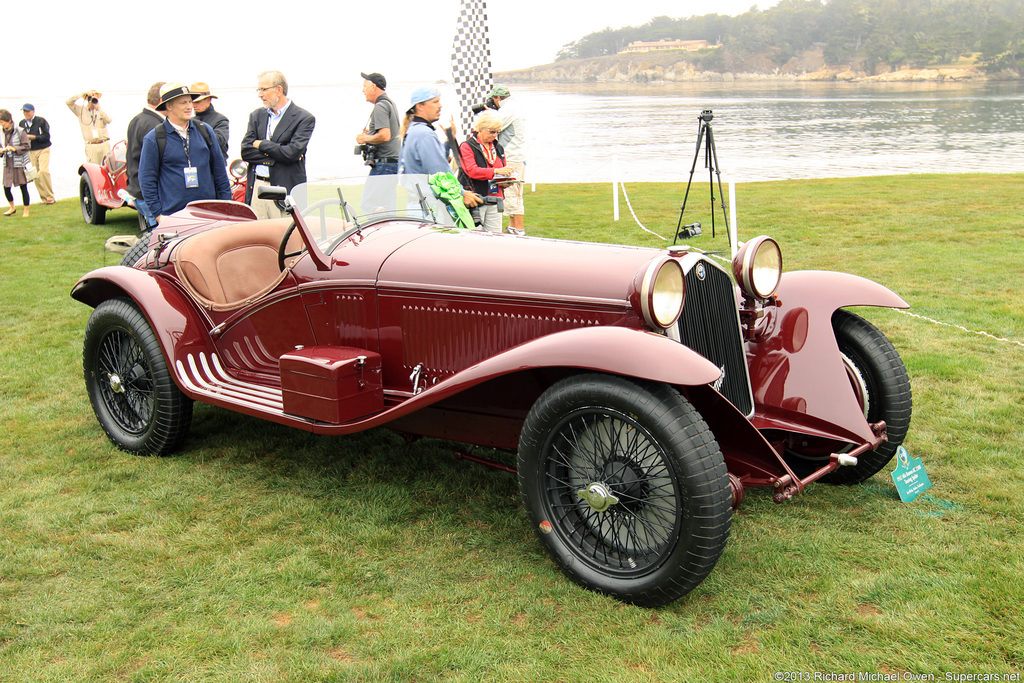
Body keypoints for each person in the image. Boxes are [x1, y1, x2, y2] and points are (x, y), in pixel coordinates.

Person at [138, 83, 231, 224]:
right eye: (183, 103)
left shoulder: (205, 131)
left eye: (190, 101)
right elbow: (146, 180)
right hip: (173, 217)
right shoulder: (155, 138)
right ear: (169, 106)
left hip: (208, 214)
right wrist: (158, 215)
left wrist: (226, 207)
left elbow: (220, 173)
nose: (189, 107)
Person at [241, 70, 316, 219]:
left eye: (264, 89)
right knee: (257, 237)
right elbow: (246, 151)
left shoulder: (304, 118)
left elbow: (292, 153)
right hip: (257, 188)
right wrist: (277, 155)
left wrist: (262, 145)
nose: (260, 94)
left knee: (286, 239)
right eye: (259, 89)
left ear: (279, 90)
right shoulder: (256, 116)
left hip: (284, 191)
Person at [399, 85, 481, 209]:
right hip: (429, 208)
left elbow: (432, 162)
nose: (440, 106)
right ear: (420, 106)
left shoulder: (413, 130)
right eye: (435, 102)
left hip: (417, 203)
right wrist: (461, 193)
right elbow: (439, 172)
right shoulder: (424, 134)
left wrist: (449, 141)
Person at [458, 111, 513, 233]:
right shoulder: (467, 146)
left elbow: (501, 171)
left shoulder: (498, 147)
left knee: (495, 239)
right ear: (481, 128)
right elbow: (472, 171)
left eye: (498, 131)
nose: (495, 135)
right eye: (492, 131)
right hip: (475, 199)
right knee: (474, 238)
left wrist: (506, 180)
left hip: (495, 199)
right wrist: (496, 171)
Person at [355, 72, 401, 214]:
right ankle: (390, 232)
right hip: (392, 164)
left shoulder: (380, 106)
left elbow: (385, 136)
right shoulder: (390, 103)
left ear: (373, 87)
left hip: (384, 165)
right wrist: (372, 133)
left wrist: (364, 139)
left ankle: (378, 234)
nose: (363, 90)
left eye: (365, 86)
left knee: (369, 205)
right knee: (388, 208)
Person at [488, 84, 527, 233]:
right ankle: (512, 227)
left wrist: (487, 115)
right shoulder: (514, 107)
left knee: (513, 194)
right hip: (515, 156)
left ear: (498, 97)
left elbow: (493, 126)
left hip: (511, 157)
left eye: (493, 99)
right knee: (512, 193)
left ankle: (519, 229)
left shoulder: (508, 110)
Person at [126, 82, 166, 229]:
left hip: (136, 189)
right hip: (150, 194)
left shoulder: (137, 120)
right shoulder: (156, 126)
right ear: (162, 101)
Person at [18, 104, 54, 205]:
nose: (26, 113)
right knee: (35, 174)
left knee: (43, 171)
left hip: (43, 148)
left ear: (33, 111)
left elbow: (46, 136)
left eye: (28, 111)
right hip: (30, 150)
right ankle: (44, 198)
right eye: (24, 111)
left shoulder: (41, 121)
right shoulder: (22, 123)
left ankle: (50, 196)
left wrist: (34, 137)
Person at [66, 90, 112, 165]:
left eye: (95, 96)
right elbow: (68, 102)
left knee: (108, 167)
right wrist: (81, 95)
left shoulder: (102, 110)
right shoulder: (81, 110)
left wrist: (98, 108)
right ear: (87, 99)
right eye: (90, 97)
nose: (92, 99)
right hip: (91, 145)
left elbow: (109, 120)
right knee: (93, 169)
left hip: (104, 143)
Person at [1, 109, 31, 217]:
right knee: (6, 187)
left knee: (23, 186)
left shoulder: (19, 131)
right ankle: (12, 207)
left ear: (9, 120)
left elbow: (27, 146)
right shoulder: (1, 133)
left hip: (19, 163)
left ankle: (26, 210)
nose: (1, 125)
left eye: (2, 122)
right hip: (7, 163)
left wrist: (14, 149)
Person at [191, 81, 229, 158]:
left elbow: (219, 142)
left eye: (198, 102)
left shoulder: (220, 120)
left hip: (214, 166)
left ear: (208, 100)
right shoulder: (189, 121)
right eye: (192, 102)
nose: (194, 105)